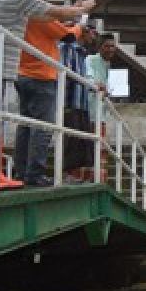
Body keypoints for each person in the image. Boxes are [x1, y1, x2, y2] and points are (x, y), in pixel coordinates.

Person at [0, 0, 94, 189]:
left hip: (12, 70)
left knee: (4, 121)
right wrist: (83, 10)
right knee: (22, 123)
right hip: (22, 72)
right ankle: (1, 174)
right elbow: (64, 27)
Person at [14, 0, 77, 187]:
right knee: (42, 127)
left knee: (25, 126)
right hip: (41, 76)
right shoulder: (39, 11)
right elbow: (67, 36)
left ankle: (20, 172)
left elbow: (52, 30)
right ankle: (35, 174)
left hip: (22, 73)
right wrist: (80, 27)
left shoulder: (22, 8)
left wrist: (63, 24)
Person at [60, 23, 96, 179]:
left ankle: (73, 175)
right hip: (70, 102)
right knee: (70, 140)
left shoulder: (82, 53)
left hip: (81, 103)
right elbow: (64, 74)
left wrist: (92, 85)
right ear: (84, 32)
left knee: (81, 142)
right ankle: (64, 174)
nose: (94, 36)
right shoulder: (68, 48)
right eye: (93, 32)